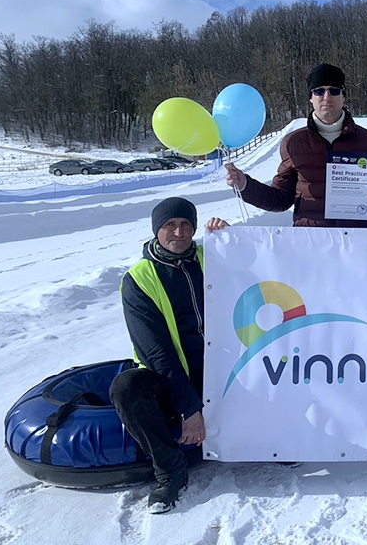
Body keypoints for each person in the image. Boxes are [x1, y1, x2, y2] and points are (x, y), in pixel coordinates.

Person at [109, 197, 229, 514]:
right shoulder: (139, 280)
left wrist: (235, 243)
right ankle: (171, 470)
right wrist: (189, 409)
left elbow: (261, 274)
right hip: (170, 374)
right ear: (156, 230)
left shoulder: (214, 257)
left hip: (221, 368)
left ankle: (277, 439)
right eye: (170, 225)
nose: (179, 232)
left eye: (186, 224)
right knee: (127, 387)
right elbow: (156, 353)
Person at [225, 63, 367, 227]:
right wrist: (245, 185)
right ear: (310, 97)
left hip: (357, 240)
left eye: (334, 91)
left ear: (343, 96)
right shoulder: (294, 143)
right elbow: (281, 198)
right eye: (319, 91)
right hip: (310, 242)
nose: (327, 97)